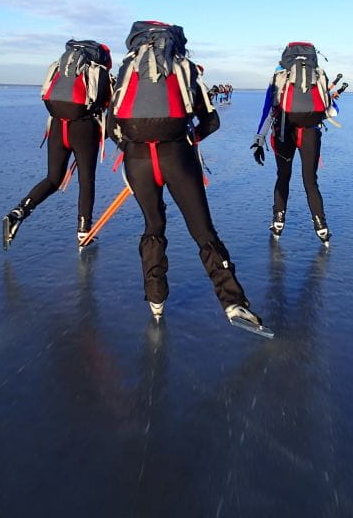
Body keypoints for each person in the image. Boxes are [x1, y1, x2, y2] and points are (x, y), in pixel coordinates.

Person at [108, 20, 268, 335]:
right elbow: (211, 121)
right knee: (203, 230)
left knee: (153, 226)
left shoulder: (127, 68)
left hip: (137, 160)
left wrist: (131, 148)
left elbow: (112, 124)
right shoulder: (185, 67)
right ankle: (233, 303)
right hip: (177, 156)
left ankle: (156, 298)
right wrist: (187, 138)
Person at [3, 39, 112, 249]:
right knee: (86, 181)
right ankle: (84, 230)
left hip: (56, 126)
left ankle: (19, 211)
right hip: (83, 129)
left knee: (53, 178)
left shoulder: (63, 71)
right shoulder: (100, 73)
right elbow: (108, 108)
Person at [250, 42, 340, 247]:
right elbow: (333, 111)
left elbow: (268, 110)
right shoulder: (318, 75)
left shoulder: (279, 76)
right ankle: (321, 226)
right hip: (311, 133)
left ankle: (278, 221)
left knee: (283, 177)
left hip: (283, 131)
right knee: (310, 181)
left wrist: (259, 139)